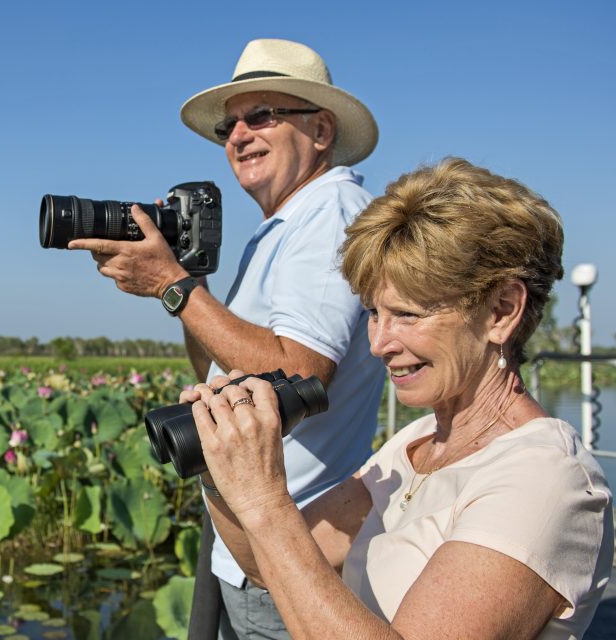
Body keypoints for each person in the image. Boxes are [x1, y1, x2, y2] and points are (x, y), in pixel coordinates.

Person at [185, 158, 613, 639]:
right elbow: (269, 568)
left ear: (502, 310)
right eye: (373, 312)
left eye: (407, 314)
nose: (378, 343)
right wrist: (219, 469)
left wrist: (265, 500)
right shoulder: (417, 444)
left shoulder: (543, 479)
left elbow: (274, 533)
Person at [67, 39, 385, 637]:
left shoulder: (330, 213)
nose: (238, 134)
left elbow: (302, 372)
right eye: (229, 123)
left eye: (262, 114)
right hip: (251, 543)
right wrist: (190, 284)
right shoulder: (284, 225)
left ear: (320, 129)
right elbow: (220, 372)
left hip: (294, 548)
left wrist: (173, 284)